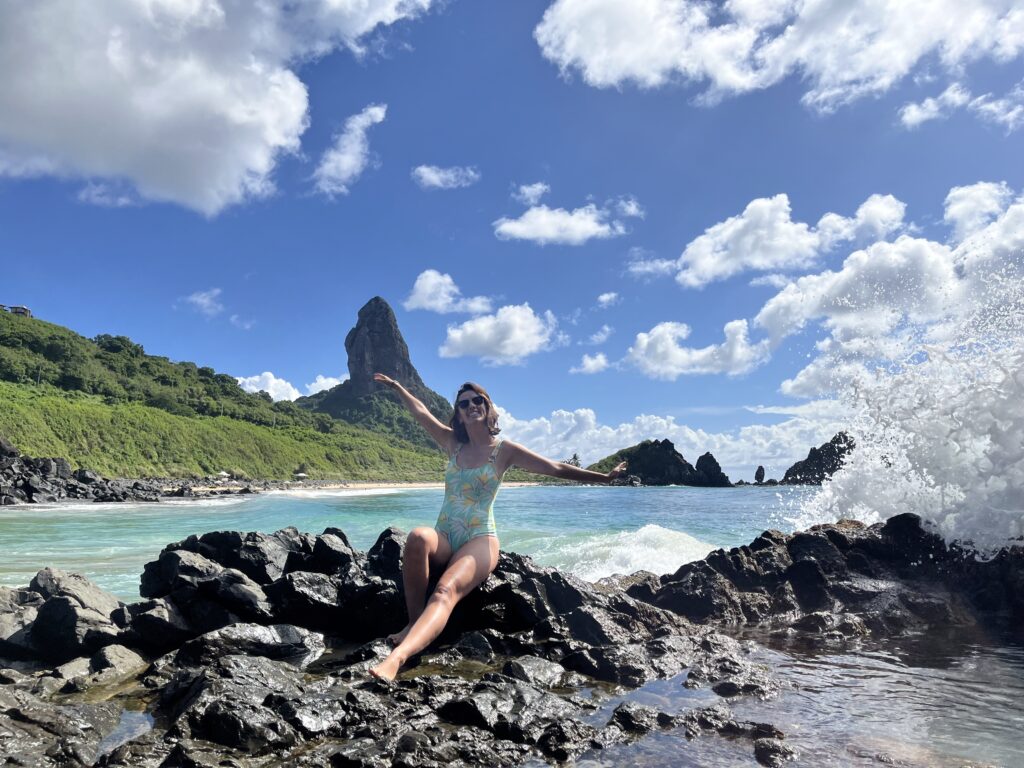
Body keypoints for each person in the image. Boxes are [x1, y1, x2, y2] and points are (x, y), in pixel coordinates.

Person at [368, 373, 628, 681]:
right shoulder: (453, 444)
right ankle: (415, 622)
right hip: (446, 534)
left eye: (478, 400)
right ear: (459, 415)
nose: (471, 406)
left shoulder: (503, 450)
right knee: (417, 538)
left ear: (489, 408)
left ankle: (398, 658)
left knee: (445, 590)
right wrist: (398, 387)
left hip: (479, 538)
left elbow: (555, 468)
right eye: (464, 403)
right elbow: (421, 412)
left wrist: (604, 478)